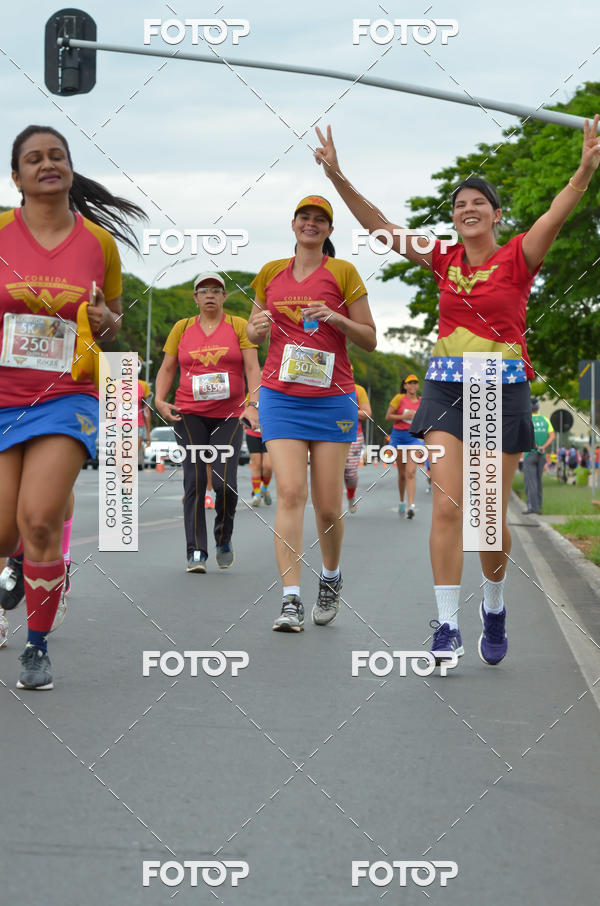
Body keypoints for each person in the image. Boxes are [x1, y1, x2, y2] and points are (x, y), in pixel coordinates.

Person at [315, 114, 600, 665]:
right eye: (458, 205)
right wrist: (337, 177)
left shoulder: (518, 255)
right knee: (447, 506)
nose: (466, 210)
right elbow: (383, 228)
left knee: (486, 518)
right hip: (446, 392)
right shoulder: (442, 259)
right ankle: (446, 625)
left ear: (496, 214)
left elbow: (556, 215)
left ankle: (493, 603)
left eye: (478, 203)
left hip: (502, 390)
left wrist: (585, 170)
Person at [0, 124, 144, 689]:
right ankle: (24, 566)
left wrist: (108, 323)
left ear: (69, 168)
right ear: (17, 176)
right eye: (33, 158)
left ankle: (36, 646)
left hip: (66, 396)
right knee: (3, 529)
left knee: (38, 517)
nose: (46, 164)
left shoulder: (97, 244)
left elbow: (110, 319)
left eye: (56, 155)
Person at [247, 195, 376, 632]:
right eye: (305, 217)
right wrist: (255, 328)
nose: (311, 224)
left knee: (326, 507)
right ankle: (290, 600)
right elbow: (252, 328)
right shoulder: (269, 272)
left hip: (332, 397)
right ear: (293, 223)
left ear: (329, 230)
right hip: (280, 395)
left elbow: (370, 338)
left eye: (320, 220)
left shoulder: (343, 273)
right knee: (289, 493)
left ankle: (331, 576)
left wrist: (337, 319)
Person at [155, 272, 260, 572]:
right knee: (196, 480)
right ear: (196, 298)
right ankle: (196, 551)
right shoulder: (182, 328)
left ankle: (223, 536)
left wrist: (253, 404)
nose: (210, 295)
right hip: (189, 413)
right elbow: (167, 368)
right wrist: (161, 400)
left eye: (216, 290)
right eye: (204, 291)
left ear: (224, 296)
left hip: (229, 415)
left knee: (224, 481)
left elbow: (253, 367)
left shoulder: (239, 326)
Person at [385, 374, 424, 518]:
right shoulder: (399, 398)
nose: (413, 385)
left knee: (411, 472)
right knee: (402, 475)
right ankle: (402, 500)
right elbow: (388, 416)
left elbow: (425, 419)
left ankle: (411, 505)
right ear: (405, 386)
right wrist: (404, 417)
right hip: (398, 438)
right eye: (410, 383)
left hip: (414, 438)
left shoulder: (422, 401)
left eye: (415, 383)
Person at [522, 397, 555, 514]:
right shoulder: (545, 420)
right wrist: (543, 446)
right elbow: (552, 436)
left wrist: (534, 445)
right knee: (538, 480)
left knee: (531, 482)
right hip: (541, 455)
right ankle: (539, 505)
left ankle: (533, 507)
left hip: (529, 454)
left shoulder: (526, 419)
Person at [245, 376, 274, 507]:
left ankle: (264, 488)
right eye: (259, 377)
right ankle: (256, 494)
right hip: (252, 433)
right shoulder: (251, 395)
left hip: (269, 433)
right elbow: (244, 411)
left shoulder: (273, 393)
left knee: (267, 467)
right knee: (256, 465)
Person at [344, 378, 371, 513]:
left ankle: (350, 496)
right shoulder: (328, 387)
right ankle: (332, 507)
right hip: (330, 434)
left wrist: (346, 411)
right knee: (332, 473)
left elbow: (367, 413)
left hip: (354, 435)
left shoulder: (358, 390)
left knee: (350, 474)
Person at [137, 358, 152, 469]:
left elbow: (146, 410)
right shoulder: (116, 384)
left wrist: (148, 433)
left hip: (138, 425)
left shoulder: (143, 385)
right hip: (119, 426)